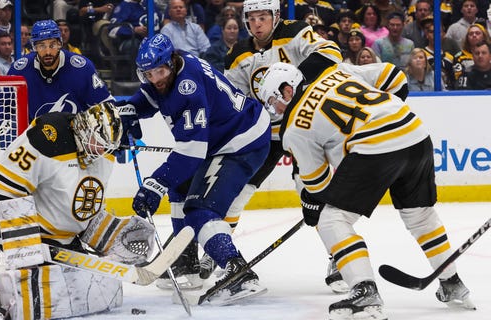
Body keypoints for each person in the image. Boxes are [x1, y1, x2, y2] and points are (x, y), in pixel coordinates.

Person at [257, 61, 475, 320]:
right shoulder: (334, 72)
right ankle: (452, 283)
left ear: (287, 90)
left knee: (332, 219)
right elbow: (393, 74)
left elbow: (318, 185)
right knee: (420, 216)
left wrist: (312, 207)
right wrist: (385, 114)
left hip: (375, 147)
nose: (273, 110)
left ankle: (365, 291)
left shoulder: (294, 127)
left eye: (272, 101)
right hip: (413, 129)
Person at [0, 102, 156, 320]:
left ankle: (15, 285)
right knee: (41, 288)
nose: (101, 150)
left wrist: (113, 233)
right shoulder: (49, 138)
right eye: (98, 143)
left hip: (66, 241)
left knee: (94, 291)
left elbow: (79, 206)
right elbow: (0, 189)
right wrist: (23, 247)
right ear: (83, 129)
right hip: (32, 234)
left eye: (107, 146)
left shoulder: (103, 152)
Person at [120, 33, 271, 304]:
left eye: (161, 71)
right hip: (222, 138)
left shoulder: (187, 88)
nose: (156, 79)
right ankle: (185, 259)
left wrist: (154, 184)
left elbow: (191, 152)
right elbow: (150, 95)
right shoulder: (177, 68)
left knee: (201, 209)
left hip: (241, 142)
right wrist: (131, 109)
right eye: (149, 74)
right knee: (179, 186)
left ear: (172, 62)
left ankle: (238, 272)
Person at [222, 0, 345, 293]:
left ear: (275, 17)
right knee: (235, 192)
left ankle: (340, 257)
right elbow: (235, 101)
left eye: (263, 17)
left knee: (314, 192)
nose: (258, 23)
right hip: (264, 134)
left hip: (303, 127)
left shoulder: (295, 32)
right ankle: (220, 255)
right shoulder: (237, 54)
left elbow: (331, 52)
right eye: (252, 18)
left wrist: (295, 81)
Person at [7, 19, 114, 122]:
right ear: (34, 47)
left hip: (76, 137)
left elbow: (105, 105)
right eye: (41, 46)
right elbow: (3, 108)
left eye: (52, 45)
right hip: (32, 137)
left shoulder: (82, 68)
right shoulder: (19, 71)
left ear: (60, 44)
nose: (48, 51)